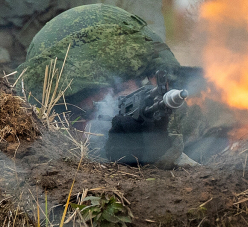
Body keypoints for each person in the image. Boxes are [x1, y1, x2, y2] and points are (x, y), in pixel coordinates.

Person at [16, 4, 200, 168]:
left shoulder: (214, 132)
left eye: (118, 93)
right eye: (85, 113)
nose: (99, 124)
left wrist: (166, 154)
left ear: (156, 83)